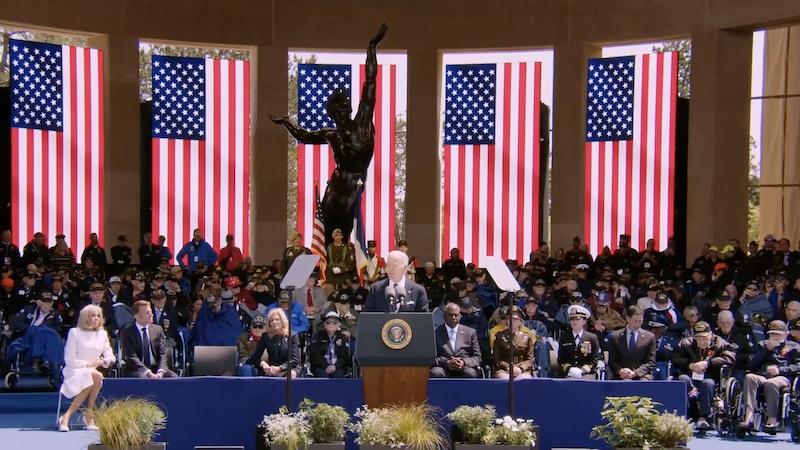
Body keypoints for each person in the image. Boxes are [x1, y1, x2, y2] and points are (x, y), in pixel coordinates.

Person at [58, 305, 115, 432]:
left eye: (98, 316)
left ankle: (76, 415)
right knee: (93, 376)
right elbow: (69, 359)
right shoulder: (74, 332)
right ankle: (83, 416)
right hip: (74, 370)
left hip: (92, 372)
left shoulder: (103, 334)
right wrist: (87, 365)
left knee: (95, 376)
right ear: (85, 317)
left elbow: (110, 356)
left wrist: (102, 361)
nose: (96, 318)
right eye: (93, 315)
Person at [740, 320, 800, 434]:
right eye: (772, 334)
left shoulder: (794, 347)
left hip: (782, 377)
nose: (774, 336)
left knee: (771, 383)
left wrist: (780, 370)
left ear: (786, 334)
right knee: (749, 377)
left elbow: (798, 365)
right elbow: (751, 364)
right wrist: (766, 349)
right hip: (763, 375)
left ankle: (772, 418)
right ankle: (749, 416)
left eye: (777, 334)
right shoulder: (762, 344)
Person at [673, 321, 736, 430]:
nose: (702, 342)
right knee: (682, 379)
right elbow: (675, 358)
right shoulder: (685, 343)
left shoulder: (721, 343)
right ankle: (685, 414)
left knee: (707, 383)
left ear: (710, 335)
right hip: (691, 376)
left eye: (704, 338)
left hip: (711, 377)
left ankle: (704, 417)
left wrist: (708, 363)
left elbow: (730, 359)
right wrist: (689, 364)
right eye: (698, 339)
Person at [121, 300, 178, 378]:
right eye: (147, 313)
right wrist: (148, 373)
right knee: (143, 378)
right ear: (137, 316)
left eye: (151, 312)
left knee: (174, 378)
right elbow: (131, 357)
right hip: (137, 370)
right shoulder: (127, 333)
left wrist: (160, 372)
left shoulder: (158, 330)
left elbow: (163, 353)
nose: (151, 315)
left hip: (157, 368)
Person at [364, 250, 429, 312]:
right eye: (388, 265)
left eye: (394, 265)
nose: (390, 269)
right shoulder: (375, 289)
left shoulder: (418, 291)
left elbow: (423, 320)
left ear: (405, 268)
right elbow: (368, 316)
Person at [431, 303, 482, 378]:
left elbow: (477, 358)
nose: (453, 317)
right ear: (444, 316)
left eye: (456, 315)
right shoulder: (435, 332)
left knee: (470, 373)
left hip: (464, 366)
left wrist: (463, 362)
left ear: (460, 316)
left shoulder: (470, 332)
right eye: (450, 315)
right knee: (436, 373)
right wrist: (447, 362)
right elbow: (430, 357)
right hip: (443, 366)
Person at [246, 308, 301, 378]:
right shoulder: (265, 336)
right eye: (272, 320)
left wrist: (279, 368)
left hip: (290, 367)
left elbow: (294, 360)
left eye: (277, 319)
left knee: (291, 374)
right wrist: (263, 364)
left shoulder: (292, 335)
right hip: (272, 367)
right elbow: (254, 357)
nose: (274, 322)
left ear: (283, 321)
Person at [608, 305, 657, 380]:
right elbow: (612, 361)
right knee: (626, 383)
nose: (637, 324)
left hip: (642, 375)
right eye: (635, 321)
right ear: (628, 318)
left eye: (640, 321)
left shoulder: (649, 337)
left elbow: (651, 362)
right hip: (623, 375)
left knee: (643, 383)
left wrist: (636, 373)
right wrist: (620, 371)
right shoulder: (616, 336)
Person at [558, 305, 602, 379]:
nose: (574, 322)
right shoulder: (564, 337)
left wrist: (582, 370)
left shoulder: (592, 338)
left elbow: (595, 359)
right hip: (570, 373)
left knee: (585, 382)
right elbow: (561, 359)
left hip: (587, 373)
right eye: (572, 319)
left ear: (584, 321)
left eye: (578, 319)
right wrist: (570, 369)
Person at [492, 305, 535, 379]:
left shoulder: (527, 336)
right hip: (504, 369)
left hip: (521, 369)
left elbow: (529, 359)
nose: (512, 321)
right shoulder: (499, 336)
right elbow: (496, 358)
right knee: (505, 380)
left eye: (515, 319)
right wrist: (508, 367)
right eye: (509, 319)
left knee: (524, 380)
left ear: (520, 322)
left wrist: (520, 369)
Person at [308, 311, 351, 378]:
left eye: (334, 323)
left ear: (338, 325)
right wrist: (326, 366)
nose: (331, 324)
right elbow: (315, 356)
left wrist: (335, 366)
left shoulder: (342, 337)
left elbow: (344, 357)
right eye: (328, 322)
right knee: (322, 375)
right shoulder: (318, 336)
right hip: (321, 366)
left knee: (338, 376)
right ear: (324, 325)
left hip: (337, 367)